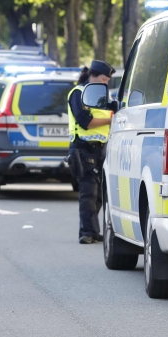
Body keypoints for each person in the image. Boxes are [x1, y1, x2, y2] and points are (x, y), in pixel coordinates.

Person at [67, 60, 118, 244]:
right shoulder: (78, 94)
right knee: (88, 192)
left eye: (107, 81)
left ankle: (93, 231)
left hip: (101, 148)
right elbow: (85, 122)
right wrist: (111, 120)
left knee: (99, 195)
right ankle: (86, 233)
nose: (105, 84)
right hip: (83, 148)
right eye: (103, 79)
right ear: (92, 75)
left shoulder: (102, 96)